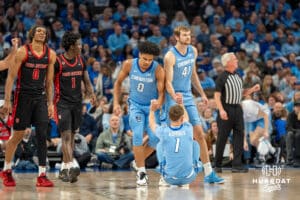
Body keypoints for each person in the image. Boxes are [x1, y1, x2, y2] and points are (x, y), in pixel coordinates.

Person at [164, 25, 224, 184]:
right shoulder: (170, 56)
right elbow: (167, 82)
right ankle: (168, 172)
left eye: (189, 35)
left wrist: (202, 93)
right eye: (184, 35)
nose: (188, 38)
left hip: (188, 95)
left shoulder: (193, 51)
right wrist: (174, 96)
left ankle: (209, 173)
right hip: (174, 96)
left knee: (199, 133)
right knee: (179, 134)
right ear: (177, 37)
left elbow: (193, 74)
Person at [0, 25, 56, 187]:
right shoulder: (23, 52)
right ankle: (7, 170)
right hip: (23, 97)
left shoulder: (51, 54)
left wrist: (50, 103)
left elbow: (49, 82)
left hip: (40, 98)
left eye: (44, 32)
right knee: (16, 137)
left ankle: (42, 175)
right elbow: (10, 77)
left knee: (41, 136)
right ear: (32, 34)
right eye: (38, 30)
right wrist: (8, 101)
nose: (41, 33)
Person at [113, 41, 165, 186]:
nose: (147, 62)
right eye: (145, 59)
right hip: (135, 106)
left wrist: (159, 102)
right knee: (137, 135)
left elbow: (162, 93)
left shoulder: (158, 69)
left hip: (151, 108)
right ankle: (142, 172)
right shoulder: (129, 64)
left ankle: (137, 162)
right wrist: (116, 103)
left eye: (150, 60)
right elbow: (117, 83)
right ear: (139, 55)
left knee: (155, 139)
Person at [53, 31, 95, 183]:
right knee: (65, 136)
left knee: (71, 136)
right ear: (71, 46)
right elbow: (49, 83)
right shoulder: (57, 62)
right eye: (78, 44)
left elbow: (86, 79)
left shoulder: (81, 59)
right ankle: (72, 164)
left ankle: (65, 169)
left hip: (77, 103)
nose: (81, 46)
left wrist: (91, 93)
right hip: (61, 103)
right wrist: (47, 102)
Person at [214, 52, 260, 173]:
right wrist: (221, 110)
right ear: (228, 62)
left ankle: (237, 165)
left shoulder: (238, 76)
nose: (237, 61)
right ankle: (217, 164)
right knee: (222, 137)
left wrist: (252, 90)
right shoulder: (222, 77)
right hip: (226, 108)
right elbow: (217, 95)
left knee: (239, 136)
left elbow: (241, 93)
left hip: (237, 108)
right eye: (234, 59)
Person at [149, 99, 202, 187]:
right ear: (181, 118)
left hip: (170, 179)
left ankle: (163, 170)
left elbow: (152, 124)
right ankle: (195, 164)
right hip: (189, 178)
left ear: (169, 118)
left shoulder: (164, 131)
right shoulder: (188, 128)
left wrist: (151, 110)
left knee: (159, 145)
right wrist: (181, 103)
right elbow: (186, 118)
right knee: (194, 143)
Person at [286, 101, 300, 167]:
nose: (298, 108)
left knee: (298, 135)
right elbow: (289, 127)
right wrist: (296, 130)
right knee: (289, 134)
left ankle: (297, 158)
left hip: (298, 134)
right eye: (297, 107)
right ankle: (290, 158)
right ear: (294, 108)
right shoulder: (291, 115)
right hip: (294, 132)